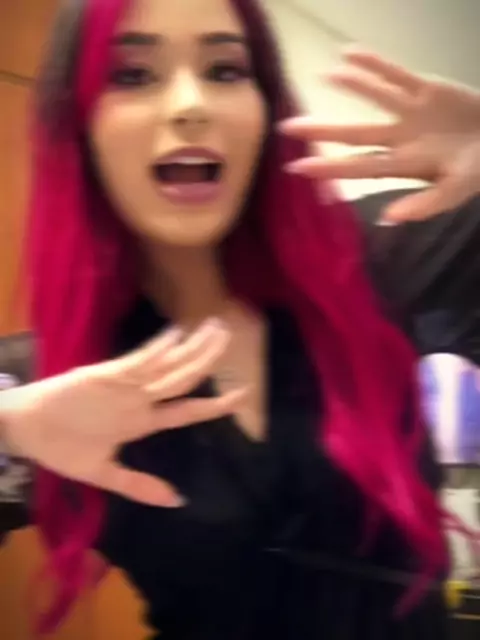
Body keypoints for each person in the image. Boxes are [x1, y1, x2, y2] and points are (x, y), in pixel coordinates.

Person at [1, 0, 480, 638]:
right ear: (78, 124)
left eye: (225, 70)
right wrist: (6, 429)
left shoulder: (373, 255)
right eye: (132, 75)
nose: (189, 105)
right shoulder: (52, 380)